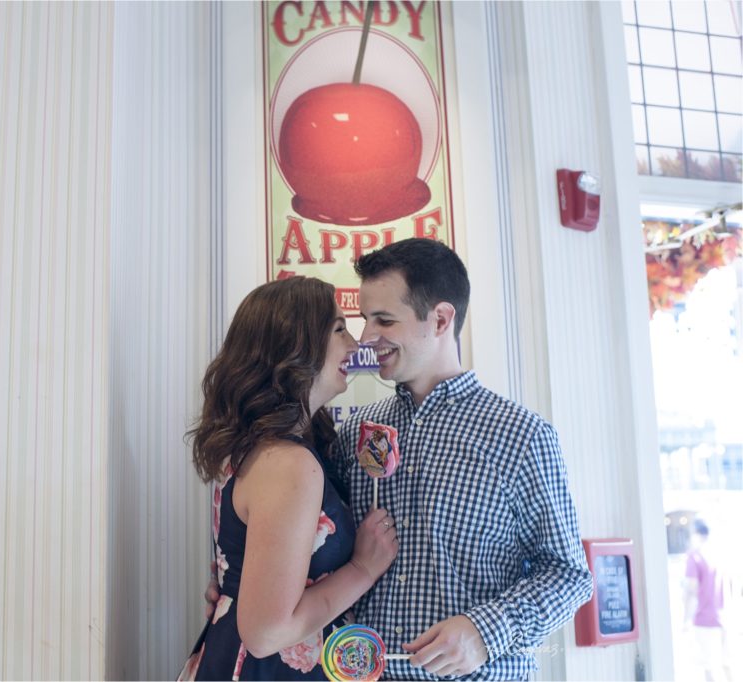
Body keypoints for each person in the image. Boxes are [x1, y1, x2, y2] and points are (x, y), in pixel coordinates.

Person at [329, 238, 593, 680]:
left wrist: (485, 630)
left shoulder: (521, 436)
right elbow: (317, 543)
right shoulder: (356, 433)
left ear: (441, 319)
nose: (367, 337)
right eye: (365, 320)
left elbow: (568, 575)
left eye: (384, 320)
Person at [178, 276, 399, 681]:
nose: (354, 345)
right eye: (338, 329)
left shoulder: (262, 446)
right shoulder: (288, 463)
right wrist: (363, 570)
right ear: (296, 346)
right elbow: (267, 633)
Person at [684, 519, 730, 682]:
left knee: (708, 667)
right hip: (723, 617)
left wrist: (686, 619)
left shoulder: (695, 557)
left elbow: (691, 590)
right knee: (726, 664)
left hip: (704, 618)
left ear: (696, 534)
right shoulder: (718, 554)